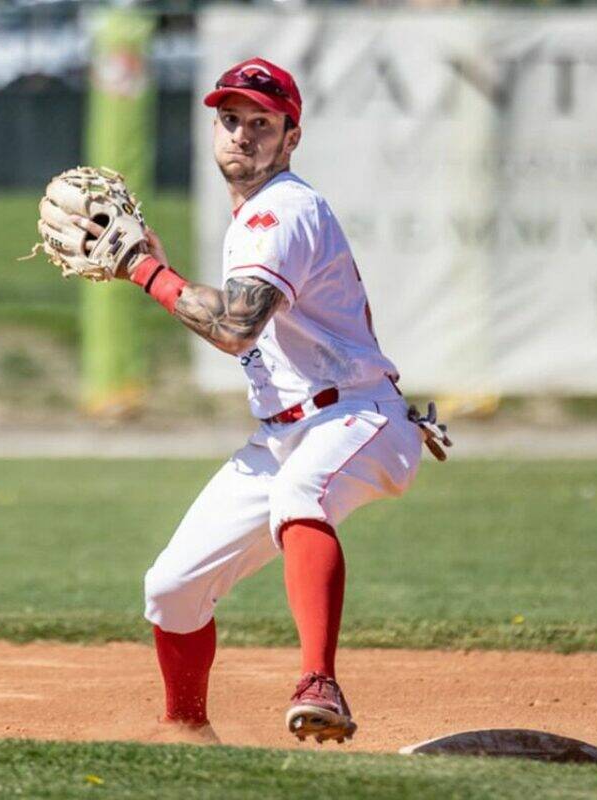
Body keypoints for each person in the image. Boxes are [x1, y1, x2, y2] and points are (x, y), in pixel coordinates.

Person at [70, 57, 427, 744]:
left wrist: (145, 270)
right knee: (171, 588)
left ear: (292, 137)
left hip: (358, 414)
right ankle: (187, 732)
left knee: (302, 493)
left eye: (261, 122)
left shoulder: (284, 208)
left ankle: (319, 680)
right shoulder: (253, 219)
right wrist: (161, 272)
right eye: (229, 120)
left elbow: (235, 327)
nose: (241, 134)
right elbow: (235, 319)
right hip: (285, 431)